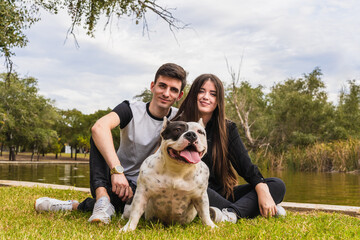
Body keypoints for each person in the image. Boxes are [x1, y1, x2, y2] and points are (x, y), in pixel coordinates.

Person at [35, 63, 187, 224]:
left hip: (145, 186)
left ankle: (74, 206)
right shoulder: (130, 109)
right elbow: (99, 127)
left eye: (173, 90)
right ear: (152, 86)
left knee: (125, 207)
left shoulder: (180, 122)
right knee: (98, 134)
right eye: (162, 86)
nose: (166, 93)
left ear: (179, 95)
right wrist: (117, 171)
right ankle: (102, 200)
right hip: (114, 179)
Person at [173, 73, 286, 223]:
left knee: (277, 185)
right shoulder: (178, 127)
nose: (206, 97)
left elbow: (246, 167)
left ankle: (229, 214)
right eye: (201, 91)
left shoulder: (227, 128)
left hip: (222, 192)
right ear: (193, 94)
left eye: (213, 94)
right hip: (192, 192)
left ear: (218, 100)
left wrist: (263, 191)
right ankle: (248, 211)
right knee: (199, 189)